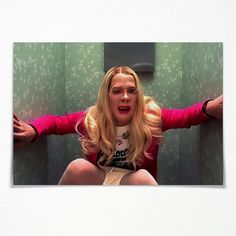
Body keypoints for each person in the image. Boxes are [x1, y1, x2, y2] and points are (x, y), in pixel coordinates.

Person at [13, 66, 223, 185]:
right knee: (77, 166)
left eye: (131, 91)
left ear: (137, 95)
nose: (125, 97)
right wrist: (33, 130)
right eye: (117, 91)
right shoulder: (93, 119)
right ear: (107, 96)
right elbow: (56, 122)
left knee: (144, 178)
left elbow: (185, 116)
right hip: (100, 176)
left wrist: (209, 108)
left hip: (131, 180)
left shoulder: (150, 117)